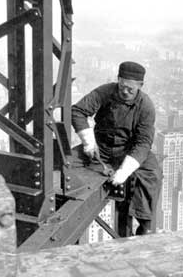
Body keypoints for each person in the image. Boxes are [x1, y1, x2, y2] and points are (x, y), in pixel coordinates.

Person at [71, 61, 162, 236]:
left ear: (140, 86)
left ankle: (145, 223)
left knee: (152, 173)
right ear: (118, 80)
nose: (125, 91)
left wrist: (124, 171)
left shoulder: (146, 106)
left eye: (130, 89)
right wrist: (88, 141)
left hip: (128, 151)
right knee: (67, 162)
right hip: (101, 148)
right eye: (122, 86)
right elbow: (78, 111)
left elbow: (143, 143)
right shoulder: (105, 92)